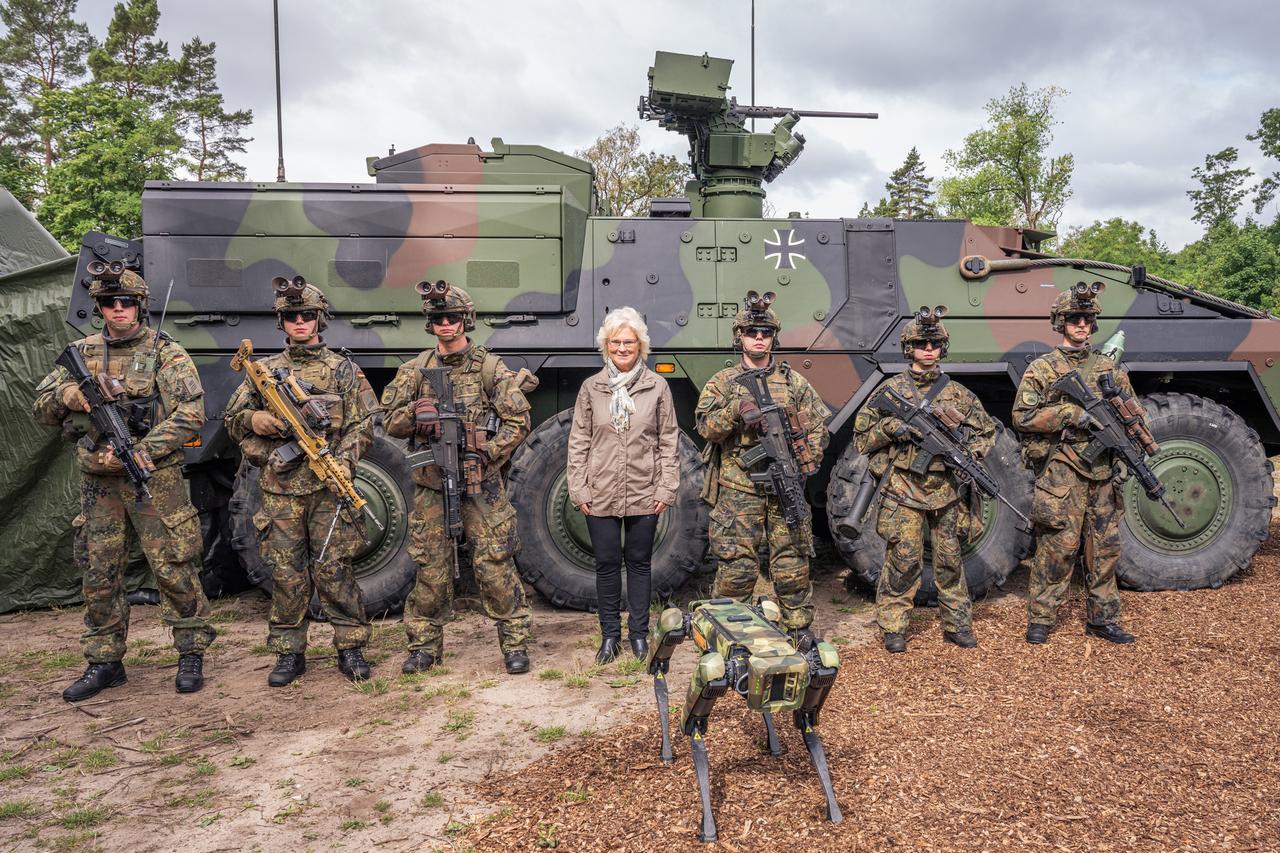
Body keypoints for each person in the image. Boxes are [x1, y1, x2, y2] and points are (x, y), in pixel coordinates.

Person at [33, 268, 216, 701]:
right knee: (99, 574)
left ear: (141, 305)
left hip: (154, 478)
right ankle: (104, 661)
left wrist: (142, 451)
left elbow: (191, 413)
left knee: (173, 566)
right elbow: (40, 408)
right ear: (98, 306)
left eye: (127, 302)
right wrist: (69, 397)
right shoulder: (79, 354)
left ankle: (190, 652)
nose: (119, 309)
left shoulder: (165, 354)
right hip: (99, 485)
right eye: (111, 302)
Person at [380, 281, 539, 675]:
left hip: (480, 483)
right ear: (430, 324)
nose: (445, 324)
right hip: (432, 485)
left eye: (452, 317)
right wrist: (417, 416)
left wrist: (488, 452)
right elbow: (387, 421)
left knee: (495, 562)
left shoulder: (489, 367)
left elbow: (518, 420)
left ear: (465, 320)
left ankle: (514, 643)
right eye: (437, 319)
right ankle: (423, 646)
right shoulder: (415, 371)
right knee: (430, 565)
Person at [224, 276, 376, 685]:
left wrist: (343, 461)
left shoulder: (343, 369)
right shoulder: (264, 370)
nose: (300, 322)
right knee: (287, 572)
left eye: (307, 315)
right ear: (282, 322)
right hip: (281, 490)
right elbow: (232, 420)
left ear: (319, 319)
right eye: (291, 316)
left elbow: (364, 425)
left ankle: (351, 646)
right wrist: (255, 419)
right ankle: (289, 652)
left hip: (328, 487)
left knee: (334, 568)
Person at [852, 307, 996, 653]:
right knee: (903, 560)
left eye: (934, 343)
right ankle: (894, 626)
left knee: (949, 560)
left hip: (946, 492)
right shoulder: (892, 390)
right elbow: (862, 436)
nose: (928, 349)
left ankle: (957, 624)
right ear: (909, 348)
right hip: (903, 489)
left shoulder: (959, 394)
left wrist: (968, 456)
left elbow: (986, 433)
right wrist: (894, 427)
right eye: (921, 343)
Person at [694, 292, 830, 642]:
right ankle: (724, 633)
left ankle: (798, 630)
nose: (759, 338)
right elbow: (707, 428)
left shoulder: (794, 383)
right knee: (737, 567)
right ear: (739, 336)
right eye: (752, 332)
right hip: (739, 490)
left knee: (792, 563)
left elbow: (818, 428)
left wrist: (802, 457)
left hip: (783, 485)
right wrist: (736, 411)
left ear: (774, 337)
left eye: (765, 333)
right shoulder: (721, 383)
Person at [1014, 283, 1139, 645]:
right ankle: (1041, 617)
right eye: (1074, 318)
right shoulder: (1043, 368)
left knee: (1104, 548)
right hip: (1062, 471)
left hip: (1101, 472)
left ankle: (1103, 618)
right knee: (1057, 547)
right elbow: (1022, 416)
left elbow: (1133, 413)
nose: (1082, 324)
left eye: (1087, 318)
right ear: (1060, 322)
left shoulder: (1109, 370)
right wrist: (1070, 414)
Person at [567, 307, 679, 664]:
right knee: (606, 563)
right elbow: (579, 441)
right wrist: (579, 488)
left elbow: (668, 440)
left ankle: (639, 636)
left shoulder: (656, 386)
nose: (622, 348)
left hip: (645, 489)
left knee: (640, 563)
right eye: (615, 341)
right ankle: (610, 637)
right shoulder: (592, 388)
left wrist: (666, 488)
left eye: (628, 341)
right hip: (600, 490)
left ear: (640, 345)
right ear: (606, 345)